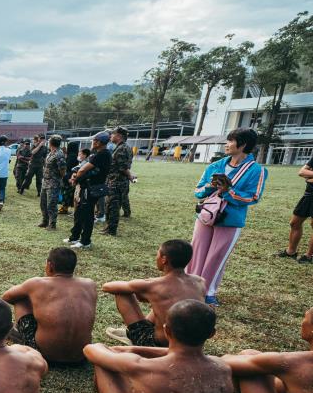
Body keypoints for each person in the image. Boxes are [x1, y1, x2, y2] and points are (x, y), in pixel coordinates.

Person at [79, 299, 232, 393]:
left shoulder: (142, 366)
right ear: (212, 334)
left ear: (167, 331)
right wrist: (134, 350)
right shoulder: (223, 367)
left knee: (102, 363)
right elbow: (186, 355)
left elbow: (91, 349)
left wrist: (127, 351)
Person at [189, 127, 267, 305]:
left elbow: (253, 196)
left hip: (230, 219)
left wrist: (228, 191)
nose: (227, 144)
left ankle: (208, 291)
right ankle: (191, 286)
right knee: (197, 250)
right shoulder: (215, 166)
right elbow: (198, 191)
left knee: (217, 255)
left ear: (243, 145)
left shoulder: (256, 170)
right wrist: (210, 186)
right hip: (207, 214)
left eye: (231, 141)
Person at [220, 307, 313, 393]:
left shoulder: (298, 362)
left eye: (305, 319)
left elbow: (227, 363)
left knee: (249, 363)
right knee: (254, 357)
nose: (302, 322)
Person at [1, 246, 97, 365]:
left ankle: (22, 335)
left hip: (44, 356)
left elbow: (6, 297)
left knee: (21, 300)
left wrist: (35, 300)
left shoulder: (37, 283)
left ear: (50, 266)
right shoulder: (90, 284)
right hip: (81, 356)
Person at [102, 239, 205, 347]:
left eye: (158, 254)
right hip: (191, 344)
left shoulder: (153, 285)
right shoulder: (200, 281)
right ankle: (138, 330)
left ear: (164, 259)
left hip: (158, 345)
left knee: (121, 292)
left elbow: (107, 287)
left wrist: (140, 290)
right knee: (164, 302)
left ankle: (135, 336)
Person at [65, 131, 111, 250]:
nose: (92, 142)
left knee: (87, 215)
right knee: (79, 213)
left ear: (99, 142)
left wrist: (75, 179)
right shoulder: (97, 153)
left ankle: (85, 241)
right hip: (86, 187)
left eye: (95, 140)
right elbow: (80, 168)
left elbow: (82, 169)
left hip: (90, 188)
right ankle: (75, 236)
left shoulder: (102, 154)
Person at [278, 154, 313, 263]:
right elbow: (302, 172)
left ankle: (309, 255)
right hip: (309, 194)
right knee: (294, 223)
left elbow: (307, 175)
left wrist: (310, 176)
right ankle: (291, 251)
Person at [103, 126, 135, 235]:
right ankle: (108, 228)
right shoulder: (121, 147)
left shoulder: (122, 148)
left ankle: (111, 230)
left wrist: (130, 177)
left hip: (117, 182)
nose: (111, 136)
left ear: (119, 136)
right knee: (110, 206)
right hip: (116, 181)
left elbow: (123, 168)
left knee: (113, 207)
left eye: (112, 134)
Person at [37, 135, 66, 230]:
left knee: (51, 204)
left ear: (51, 143)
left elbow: (62, 170)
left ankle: (52, 224)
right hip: (45, 182)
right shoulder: (51, 153)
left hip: (53, 183)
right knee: (43, 203)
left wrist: (57, 178)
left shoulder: (59, 154)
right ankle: (45, 221)